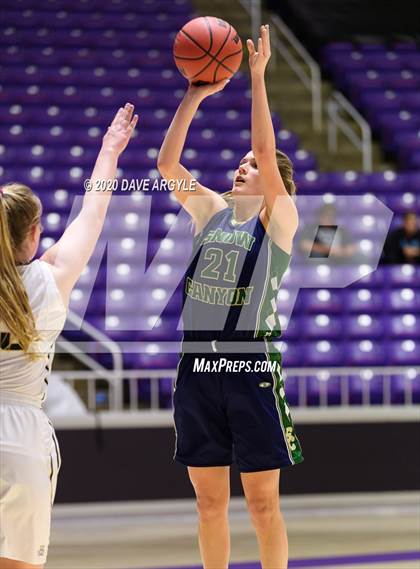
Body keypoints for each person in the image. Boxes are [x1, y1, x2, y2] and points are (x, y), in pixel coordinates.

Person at [158, 25, 303, 569]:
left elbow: (266, 149)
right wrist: (194, 93)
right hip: (197, 365)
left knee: (263, 504)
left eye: (251, 165)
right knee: (208, 502)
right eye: (240, 163)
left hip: (251, 366)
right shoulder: (212, 212)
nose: (243, 166)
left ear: (271, 182)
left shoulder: (278, 219)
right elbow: (167, 166)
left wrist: (257, 80)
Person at [0, 103, 138, 569]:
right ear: (35, 233)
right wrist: (109, 149)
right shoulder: (51, 277)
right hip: (21, 436)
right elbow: (93, 213)